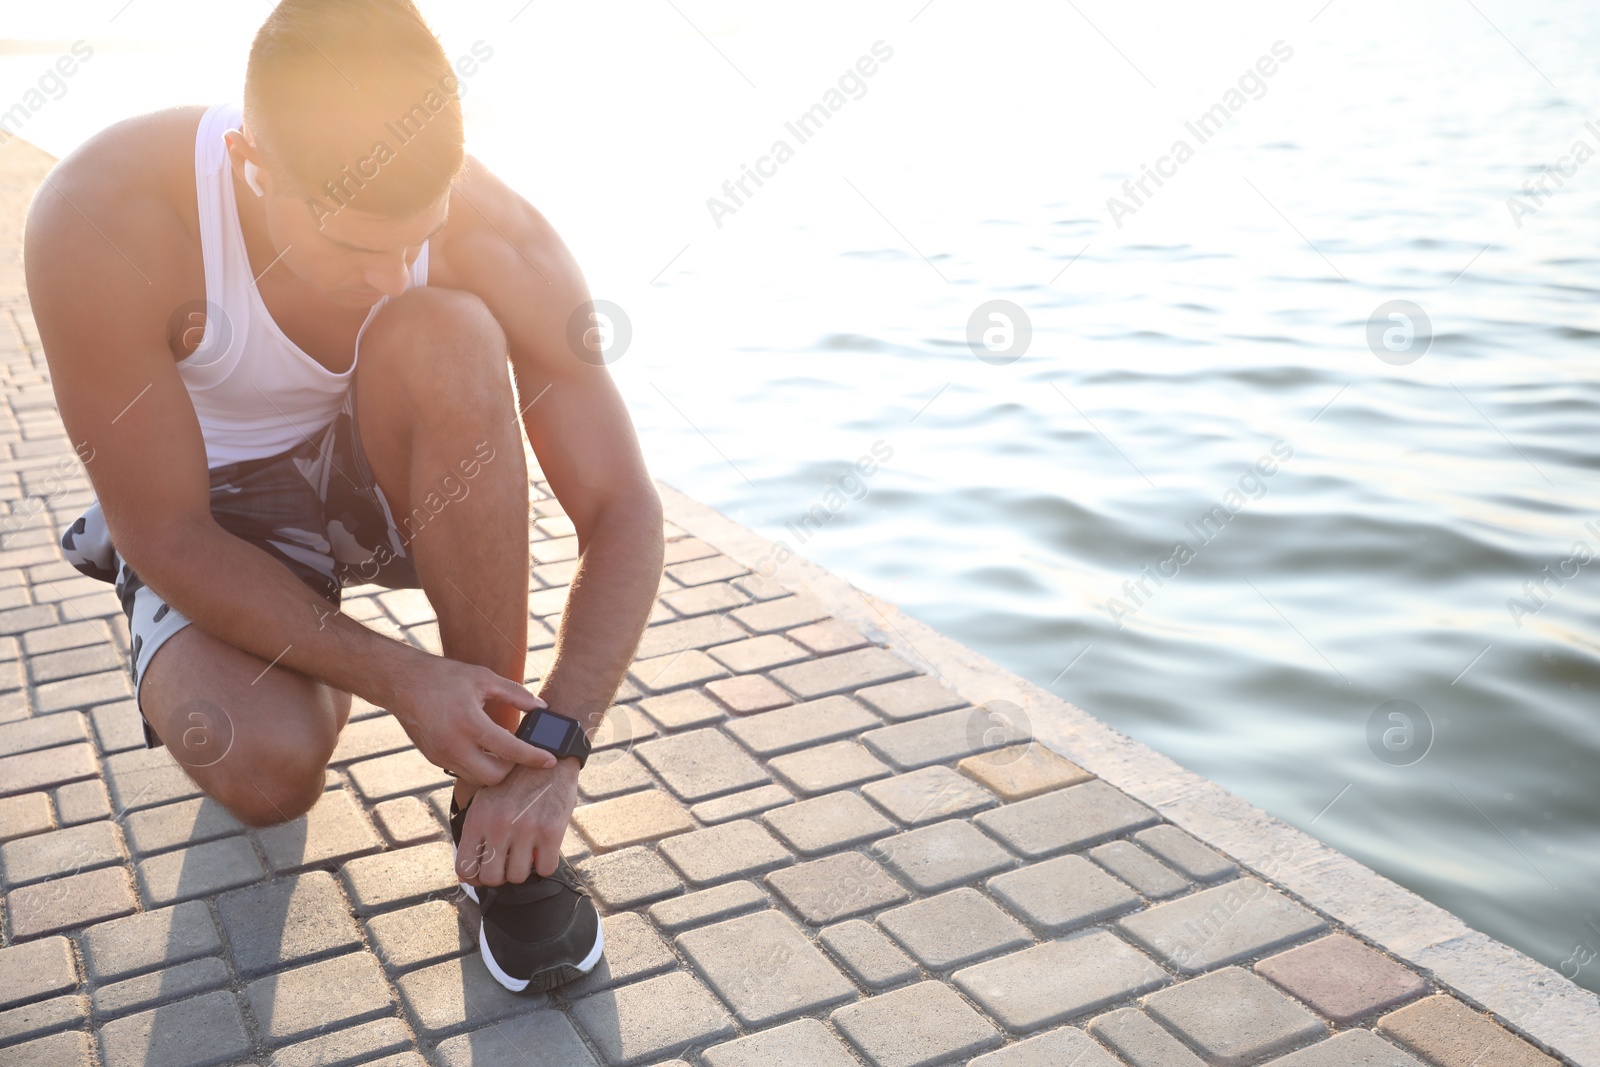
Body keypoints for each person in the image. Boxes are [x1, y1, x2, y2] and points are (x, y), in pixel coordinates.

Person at [22, 0, 663, 994]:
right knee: (268, 769)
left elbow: (623, 504)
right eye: (350, 246)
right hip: (209, 507)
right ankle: (260, 631)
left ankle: (492, 792)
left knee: (449, 331)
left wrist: (557, 745)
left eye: (410, 238)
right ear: (250, 161)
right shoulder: (103, 217)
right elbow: (166, 526)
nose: (382, 275)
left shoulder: (497, 232)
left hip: (383, 469)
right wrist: (401, 676)